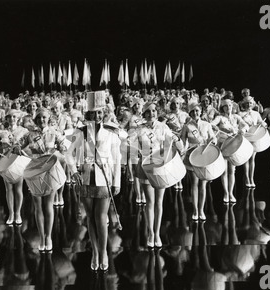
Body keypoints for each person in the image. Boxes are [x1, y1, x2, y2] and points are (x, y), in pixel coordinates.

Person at [66, 91, 121, 271]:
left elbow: (117, 158)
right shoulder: (80, 132)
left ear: (103, 114)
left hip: (104, 177)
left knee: (101, 217)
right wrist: (74, 172)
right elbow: (68, 154)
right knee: (90, 217)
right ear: (87, 114)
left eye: (99, 113)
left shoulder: (111, 132)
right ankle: (95, 253)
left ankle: (104, 252)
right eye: (93, 113)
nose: (97, 116)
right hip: (85, 177)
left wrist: (116, 181)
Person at [129, 101, 185, 248]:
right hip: (146, 167)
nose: (152, 113)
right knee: (150, 202)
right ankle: (150, 233)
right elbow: (128, 144)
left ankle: (157, 232)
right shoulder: (139, 129)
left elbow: (177, 145)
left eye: (154, 111)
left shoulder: (163, 127)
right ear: (144, 113)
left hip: (161, 166)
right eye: (149, 111)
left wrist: (176, 139)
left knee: (159, 202)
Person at [13, 108, 66, 252]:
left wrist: (61, 150)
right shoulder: (30, 134)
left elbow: (64, 147)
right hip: (35, 170)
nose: (42, 120)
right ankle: (41, 237)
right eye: (39, 118)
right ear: (36, 120)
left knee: (48, 205)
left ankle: (48, 237)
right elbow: (18, 145)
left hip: (50, 169)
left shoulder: (54, 133)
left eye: (44, 117)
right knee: (37, 205)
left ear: (48, 118)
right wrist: (17, 148)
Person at [0, 110, 29, 225]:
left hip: (19, 161)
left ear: (18, 118)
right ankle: (11, 213)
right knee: (8, 188)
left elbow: (30, 144)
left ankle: (18, 213)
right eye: (9, 117)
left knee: (18, 188)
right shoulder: (2, 132)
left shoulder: (24, 131)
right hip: (6, 162)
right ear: (6, 119)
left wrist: (22, 149)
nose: (12, 119)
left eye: (14, 117)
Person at [181, 103, 217, 220]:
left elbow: (213, 137)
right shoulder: (186, 126)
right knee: (194, 184)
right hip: (191, 157)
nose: (195, 113)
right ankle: (195, 210)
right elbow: (182, 142)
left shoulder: (207, 125)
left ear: (200, 112)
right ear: (190, 113)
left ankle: (201, 210)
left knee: (203, 185)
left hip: (204, 156)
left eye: (197, 111)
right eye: (193, 112)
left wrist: (213, 140)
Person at [211, 99, 249, 202]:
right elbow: (211, 124)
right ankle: (226, 193)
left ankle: (231, 193)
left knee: (232, 170)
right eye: (226, 106)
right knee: (224, 171)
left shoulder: (236, 117)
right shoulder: (220, 117)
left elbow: (245, 125)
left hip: (233, 145)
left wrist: (243, 130)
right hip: (223, 145)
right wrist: (220, 129)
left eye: (230, 106)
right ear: (222, 108)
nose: (228, 108)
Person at [239, 96, 267, 187]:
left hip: (254, 137)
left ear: (253, 104)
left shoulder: (256, 113)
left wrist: (263, 124)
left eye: (250, 103)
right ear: (244, 104)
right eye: (247, 103)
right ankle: (247, 178)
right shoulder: (240, 114)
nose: (248, 105)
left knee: (252, 159)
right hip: (246, 137)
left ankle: (252, 178)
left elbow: (261, 122)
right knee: (246, 158)